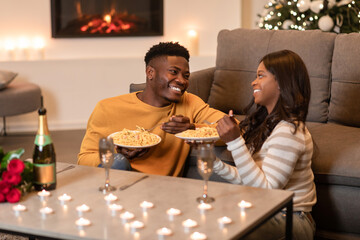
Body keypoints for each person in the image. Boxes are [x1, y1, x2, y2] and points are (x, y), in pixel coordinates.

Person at [78, 42, 225, 176]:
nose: (182, 80)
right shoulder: (107, 108)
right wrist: (118, 153)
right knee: (118, 162)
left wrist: (192, 129)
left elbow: (234, 129)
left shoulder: (189, 103)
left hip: (160, 190)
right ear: (150, 73)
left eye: (186, 75)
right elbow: (84, 159)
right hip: (120, 186)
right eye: (174, 72)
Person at [213, 50, 316, 239]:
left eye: (261, 76)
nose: (253, 81)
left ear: (282, 83)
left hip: (293, 219)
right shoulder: (267, 124)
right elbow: (253, 179)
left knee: (227, 225)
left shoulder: (289, 130)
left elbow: (267, 191)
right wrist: (212, 163)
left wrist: (236, 142)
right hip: (268, 212)